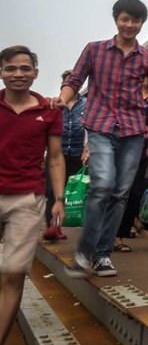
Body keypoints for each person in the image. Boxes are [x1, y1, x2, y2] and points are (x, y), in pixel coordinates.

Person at [57, 0, 148, 278]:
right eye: (125, 19)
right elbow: (75, 80)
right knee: (104, 185)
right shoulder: (94, 50)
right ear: (116, 19)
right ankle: (84, 253)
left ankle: (102, 255)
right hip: (100, 126)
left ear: (142, 23)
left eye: (136, 21)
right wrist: (62, 100)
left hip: (133, 131)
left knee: (120, 193)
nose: (130, 25)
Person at [0, 45, 66, 345]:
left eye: (25, 68)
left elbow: (54, 158)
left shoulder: (49, 110)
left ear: (35, 73)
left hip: (28, 199)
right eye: (10, 68)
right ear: (1, 72)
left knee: (13, 274)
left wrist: (59, 200)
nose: (18, 74)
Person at [114, 76, 148, 252]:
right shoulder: (130, 94)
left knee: (134, 194)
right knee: (118, 192)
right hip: (122, 149)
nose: (147, 78)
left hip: (144, 153)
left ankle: (119, 236)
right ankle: (110, 234)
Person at [42, 69, 89, 241]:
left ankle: (67, 224)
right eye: (67, 82)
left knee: (75, 191)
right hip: (57, 153)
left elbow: (91, 126)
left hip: (78, 154)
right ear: (63, 85)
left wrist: (87, 147)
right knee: (52, 191)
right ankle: (52, 227)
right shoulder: (55, 104)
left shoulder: (87, 104)